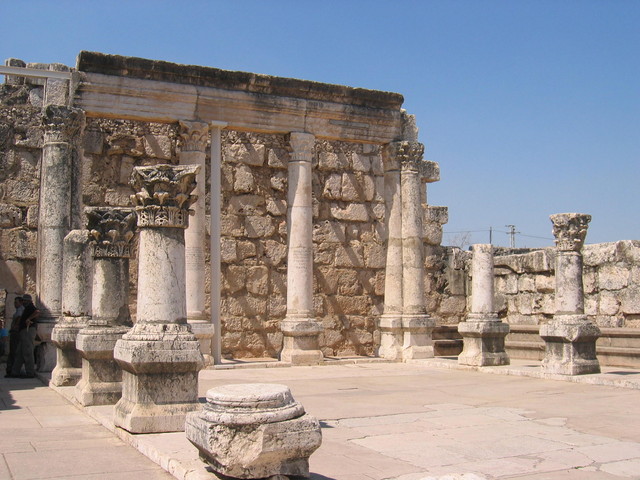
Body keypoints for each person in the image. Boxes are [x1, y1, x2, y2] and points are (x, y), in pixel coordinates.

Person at [10, 294, 39, 378]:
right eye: (23, 301)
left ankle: (30, 372)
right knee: (19, 352)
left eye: (25, 301)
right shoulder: (26, 308)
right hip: (23, 331)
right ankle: (15, 372)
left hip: (28, 330)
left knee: (27, 351)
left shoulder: (31, 307)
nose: (24, 302)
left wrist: (29, 319)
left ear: (29, 301)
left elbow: (37, 312)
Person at [5, 296, 24, 378]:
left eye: (16, 302)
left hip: (16, 332)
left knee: (14, 351)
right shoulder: (18, 310)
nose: (14, 304)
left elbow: (19, 318)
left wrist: (15, 326)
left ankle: (13, 370)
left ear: (21, 302)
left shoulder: (20, 310)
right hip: (15, 331)